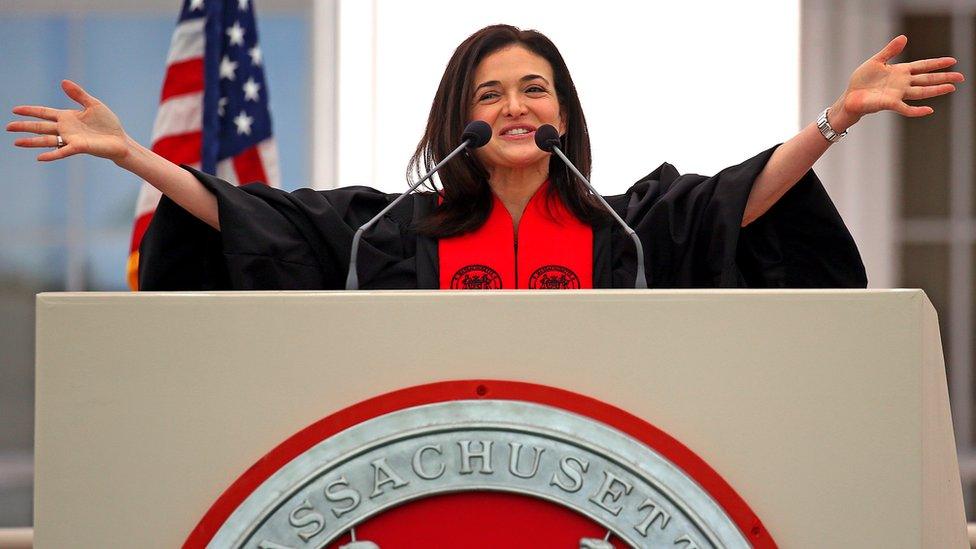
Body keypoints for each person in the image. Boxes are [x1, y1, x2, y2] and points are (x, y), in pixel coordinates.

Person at [7, 25, 964, 290]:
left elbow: (737, 202)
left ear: (562, 112)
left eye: (534, 89)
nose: (515, 105)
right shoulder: (389, 233)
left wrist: (834, 120)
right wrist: (134, 155)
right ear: (459, 120)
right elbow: (253, 218)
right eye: (491, 93)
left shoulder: (621, 230)